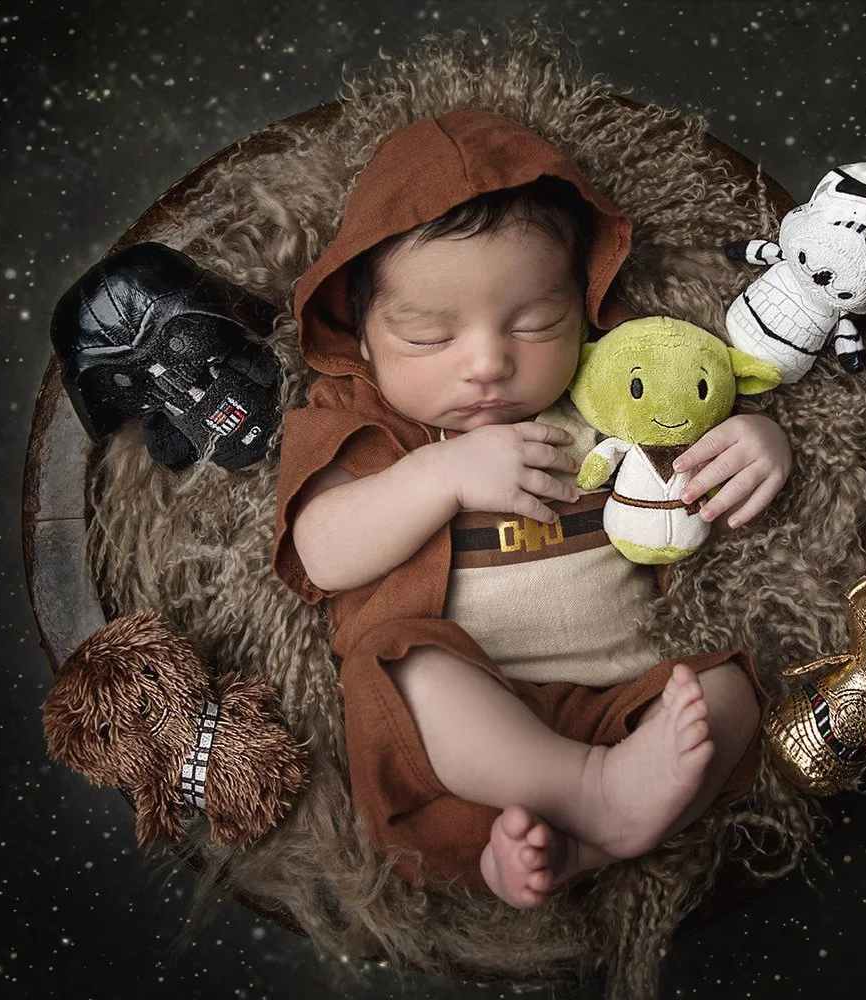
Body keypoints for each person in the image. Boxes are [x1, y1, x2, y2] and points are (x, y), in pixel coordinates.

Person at [272, 108, 793, 909]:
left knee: (730, 693)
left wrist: (759, 442)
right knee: (407, 665)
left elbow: (693, 433)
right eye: (428, 336)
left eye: (535, 323)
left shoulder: (605, 393)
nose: (487, 363)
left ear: (582, 307)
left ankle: (577, 842)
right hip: (465, 732)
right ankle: (581, 797)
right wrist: (440, 474)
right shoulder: (366, 427)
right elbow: (323, 554)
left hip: (631, 703)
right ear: (364, 339)